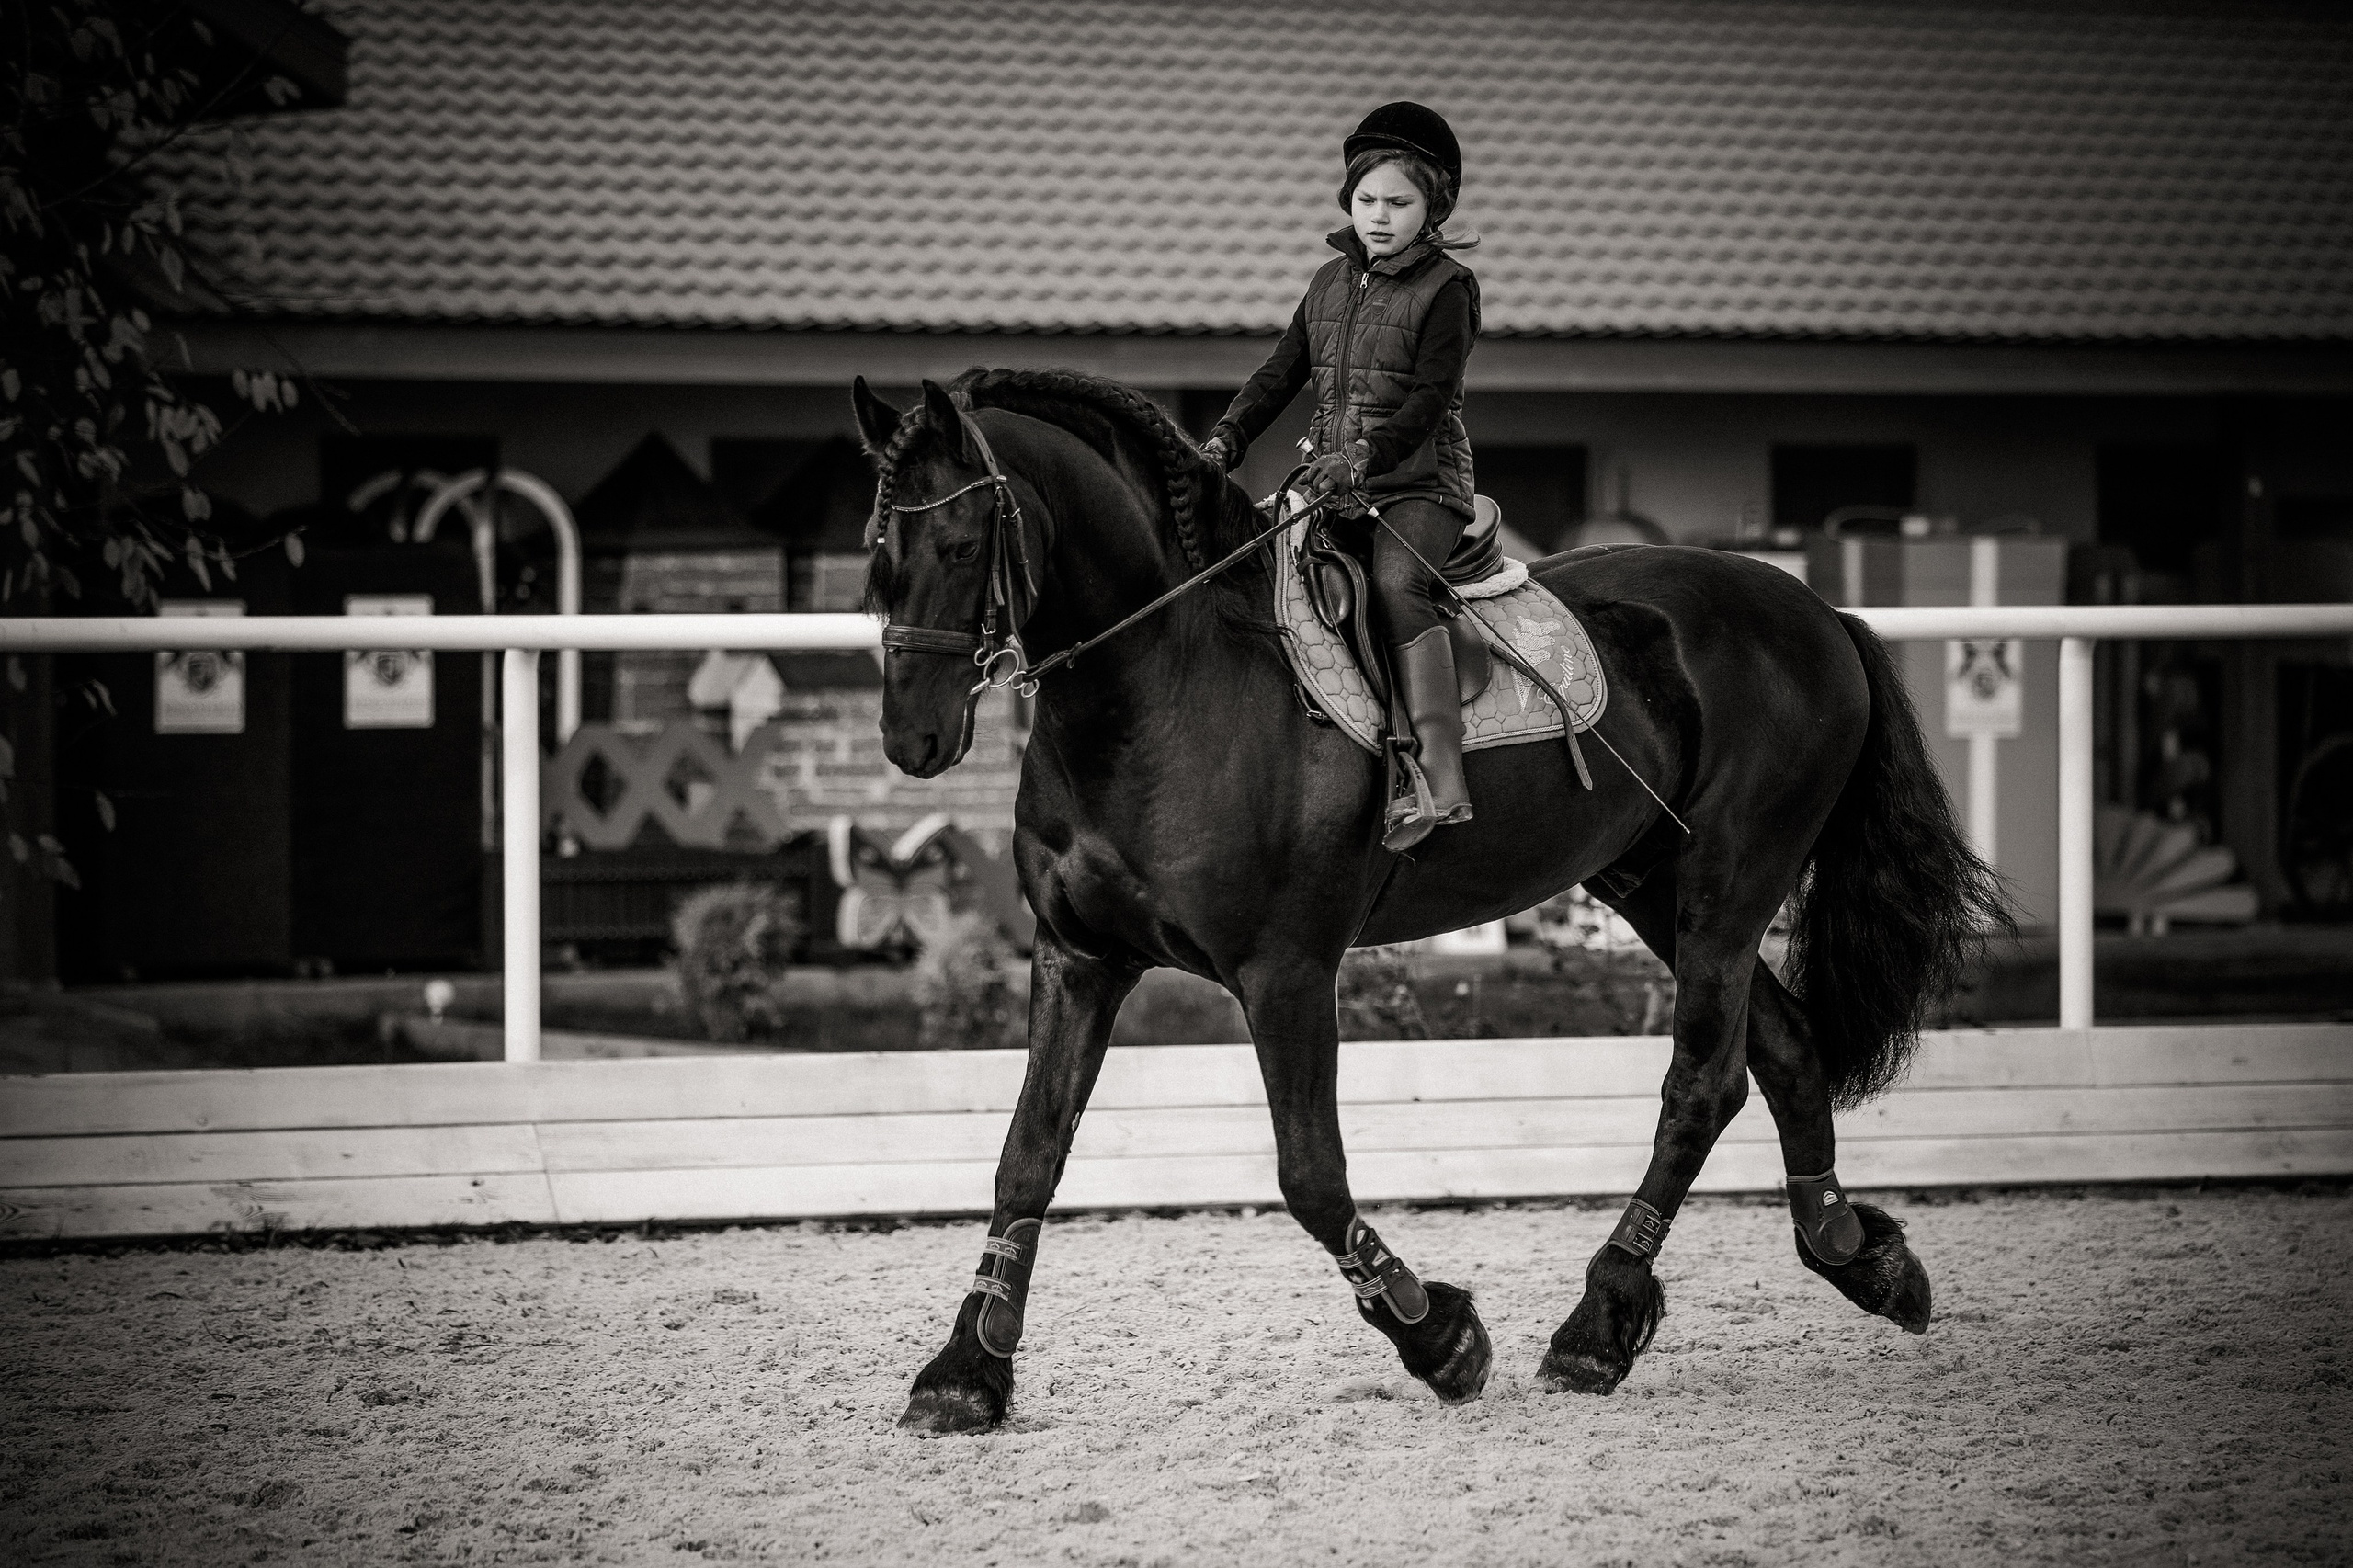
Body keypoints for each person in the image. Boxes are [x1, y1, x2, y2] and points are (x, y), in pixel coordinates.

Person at [1199, 101, 1482, 846]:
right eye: (1367, 201)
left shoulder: (1449, 287)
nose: (1379, 216)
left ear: (1433, 209)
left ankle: (1436, 775)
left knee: (1393, 586)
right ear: (1347, 203)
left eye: (1398, 202)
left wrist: (1362, 457)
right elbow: (1280, 372)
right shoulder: (1327, 282)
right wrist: (1228, 437)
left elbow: (1429, 399)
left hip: (1421, 486)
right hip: (1333, 485)